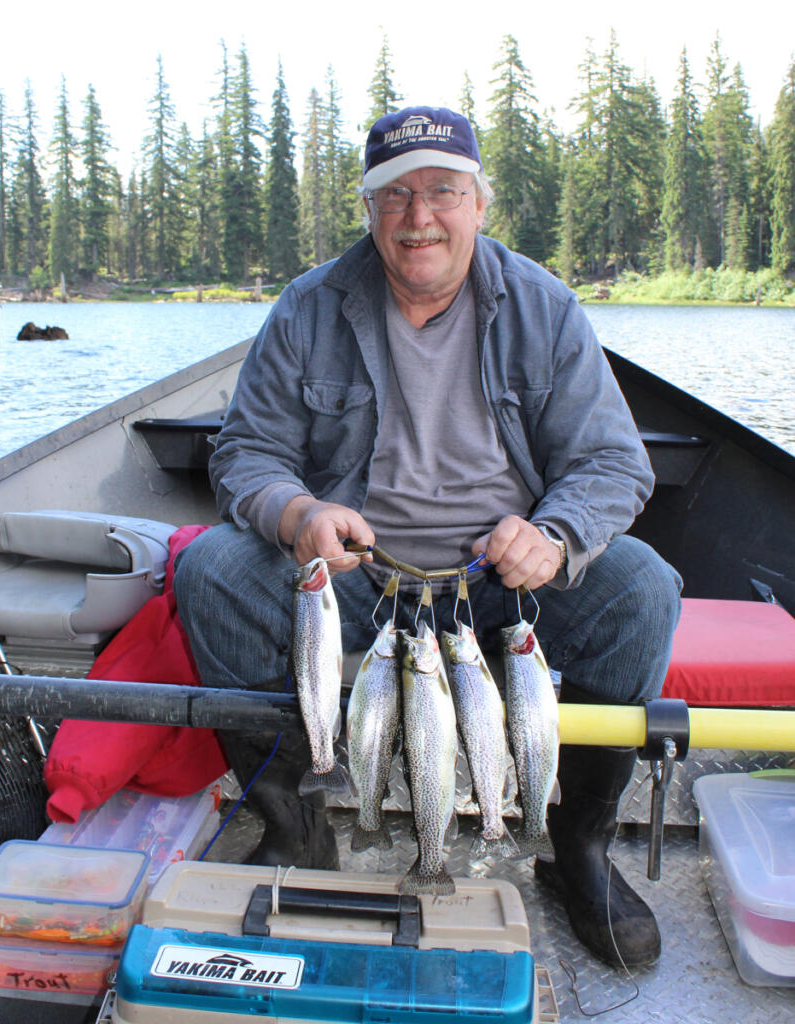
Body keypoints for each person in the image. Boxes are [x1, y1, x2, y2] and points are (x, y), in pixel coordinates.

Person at [175, 106, 682, 969]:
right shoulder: (308, 308)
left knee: (642, 589)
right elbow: (247, 456)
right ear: (369, 210)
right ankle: (298, 825)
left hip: (501, 580)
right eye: (396, 194)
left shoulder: (545, 307)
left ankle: (580, 847)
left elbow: (613, 463)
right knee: (214, 572)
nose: (420, 217)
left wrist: (555, 536)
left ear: (479, 203)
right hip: (355, 579)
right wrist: (300, 516)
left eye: (443, 191)